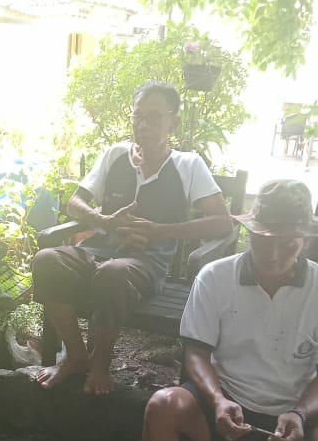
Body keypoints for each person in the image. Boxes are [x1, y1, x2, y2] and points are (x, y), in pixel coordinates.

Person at [142, 180, 318, 441]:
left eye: (287, 244)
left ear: (306, 240)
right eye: (264, 241)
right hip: (225, 398)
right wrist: (218, 399)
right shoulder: (215, 276)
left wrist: (299, 413)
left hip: (298, 410)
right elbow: (197, 353)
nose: (273, 256)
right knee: (162, 406)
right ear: (250, 234)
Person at [32, 80, 233, 394]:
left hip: (145, 263)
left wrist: (160, 231)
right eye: (138, 116)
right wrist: (105, 222)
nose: (143, 125)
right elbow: (75, 202)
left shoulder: (188, 165)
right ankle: (76, 356)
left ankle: (100, 365)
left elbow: (222, 222)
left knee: (112, 274)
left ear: (173, 122)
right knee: (46, 260)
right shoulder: (115, 155)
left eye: (154, 117)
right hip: (96, 252)